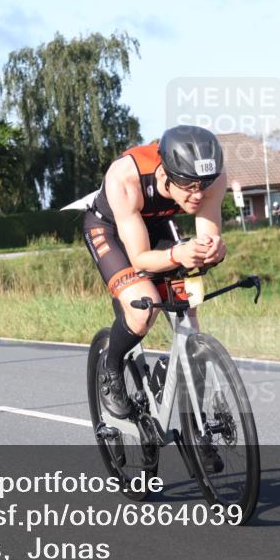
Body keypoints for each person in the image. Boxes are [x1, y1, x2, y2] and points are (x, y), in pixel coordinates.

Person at [82, 125, 228, 417]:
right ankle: (110, 370)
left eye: (204, 185)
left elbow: (206, 240)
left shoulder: (213, 178)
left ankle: (197, 431)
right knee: (143, 309)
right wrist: (177, 253)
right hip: (109, 230)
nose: (198, 195)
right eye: (189, 187)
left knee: (189, 313)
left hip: (156, 224)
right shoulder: (125, 177)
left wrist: (213, 252)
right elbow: (139, 259)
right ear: (165, 175)